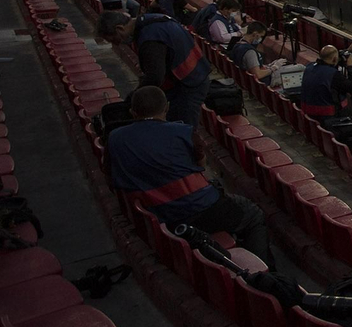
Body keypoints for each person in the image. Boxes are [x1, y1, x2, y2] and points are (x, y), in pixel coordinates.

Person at [108, 85, 273, 267]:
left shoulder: (114, 138)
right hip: (195, 210)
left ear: (132, 112)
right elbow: (201, 166)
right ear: (167, 107)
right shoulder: (184, 132)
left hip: (155, 213)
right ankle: (263, 273)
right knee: (252, 213)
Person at [97, 10, 212, 127]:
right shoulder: (151, 19)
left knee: (182, 127)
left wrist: (133, 98)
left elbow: (155, 77)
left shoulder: (150, 38)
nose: (116, 44)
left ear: (120, 28)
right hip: (194, 75)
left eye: (113, 39)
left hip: (189, 83)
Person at [298, 45, 352, 122]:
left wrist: (346, 50)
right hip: (329, 117)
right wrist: (350, 66)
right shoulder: (333, 75)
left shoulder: (309, 67)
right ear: (335, 59)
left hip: (309, 114)